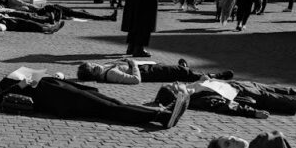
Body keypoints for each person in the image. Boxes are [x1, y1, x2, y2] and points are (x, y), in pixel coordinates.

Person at [0, 73, 190, 129]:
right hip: (56, 98)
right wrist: (22, 83)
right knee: (109, 108)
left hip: (55, 89)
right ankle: (161, 117)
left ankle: (161, 113)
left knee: (110, 102)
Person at [151, 78, 296, 119]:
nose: (176, 82)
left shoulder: (193, 87)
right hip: (247, 95)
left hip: (245, 84)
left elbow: (209, 78)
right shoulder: (198, 99)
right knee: (294, 102)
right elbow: (226, 106)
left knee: (289, 90)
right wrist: (253, 112)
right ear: (178, 95)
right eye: (174, 86)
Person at [76, 58, 233, 85]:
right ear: (93, 76)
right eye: (93, 69)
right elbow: (135, 80)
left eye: (93, 64)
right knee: (179, 72)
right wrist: (134, 64)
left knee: (174, 69)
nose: (96, 66)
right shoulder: (110, 74)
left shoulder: (105, 68)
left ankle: (186, 70)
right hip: (148, 73)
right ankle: (215, 77)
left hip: (147, 68)